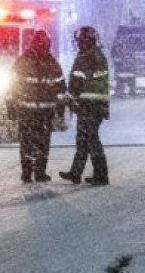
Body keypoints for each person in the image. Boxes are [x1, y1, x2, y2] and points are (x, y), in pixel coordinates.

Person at [8, 30, 66, 183]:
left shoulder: (21, 62)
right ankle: (40, 173)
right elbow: (61, 91)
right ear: (48, 45)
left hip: (26, 110)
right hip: (45, 112)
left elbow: (12, 87)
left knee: (26, 141)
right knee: (43, 142)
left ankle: (26, 173)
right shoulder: (53, 64)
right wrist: (60, 112)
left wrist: (11, 108)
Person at [59, 26, 112, 186]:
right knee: (84, 139)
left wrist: (70, 97)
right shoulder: (96, 55)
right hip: (96, 105)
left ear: (84, 40)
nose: (77, 43)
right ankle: (76, 173)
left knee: (90, 140)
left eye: (79, 40)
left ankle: (101, 175)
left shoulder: (87, 56)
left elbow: (77, 81)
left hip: (89, 105)